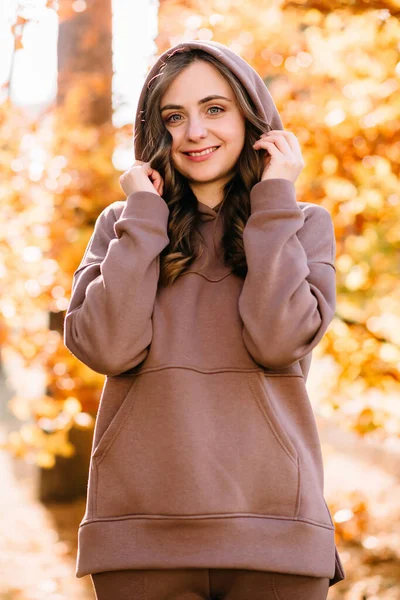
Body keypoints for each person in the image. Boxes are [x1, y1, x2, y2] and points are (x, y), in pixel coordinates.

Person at [64, 40, 346, 599]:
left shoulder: (300, 221)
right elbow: (107, 347)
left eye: (214, 109)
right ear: (155, 131)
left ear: (251, 116)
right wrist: (144, 216)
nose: (195, 131)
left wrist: (274, 200)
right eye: (175, 116)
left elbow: (278, 339)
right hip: (140, 538)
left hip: (276, 534)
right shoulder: (122, 223)